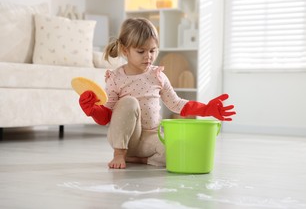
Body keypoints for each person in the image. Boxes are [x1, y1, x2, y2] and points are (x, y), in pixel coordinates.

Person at [78, 18, 236, 169]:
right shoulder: (116, 78)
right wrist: (92, 110)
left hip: (150, 137)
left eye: (153, 50)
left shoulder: (157, 76)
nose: (148, 56)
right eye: (141, 51)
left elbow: (176, 103)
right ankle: (120, 153)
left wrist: (206, 109)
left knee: (177, 150)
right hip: (124, 138)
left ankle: (138, 159)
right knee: (129, 102)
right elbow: (106, 116)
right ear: (125, 50)